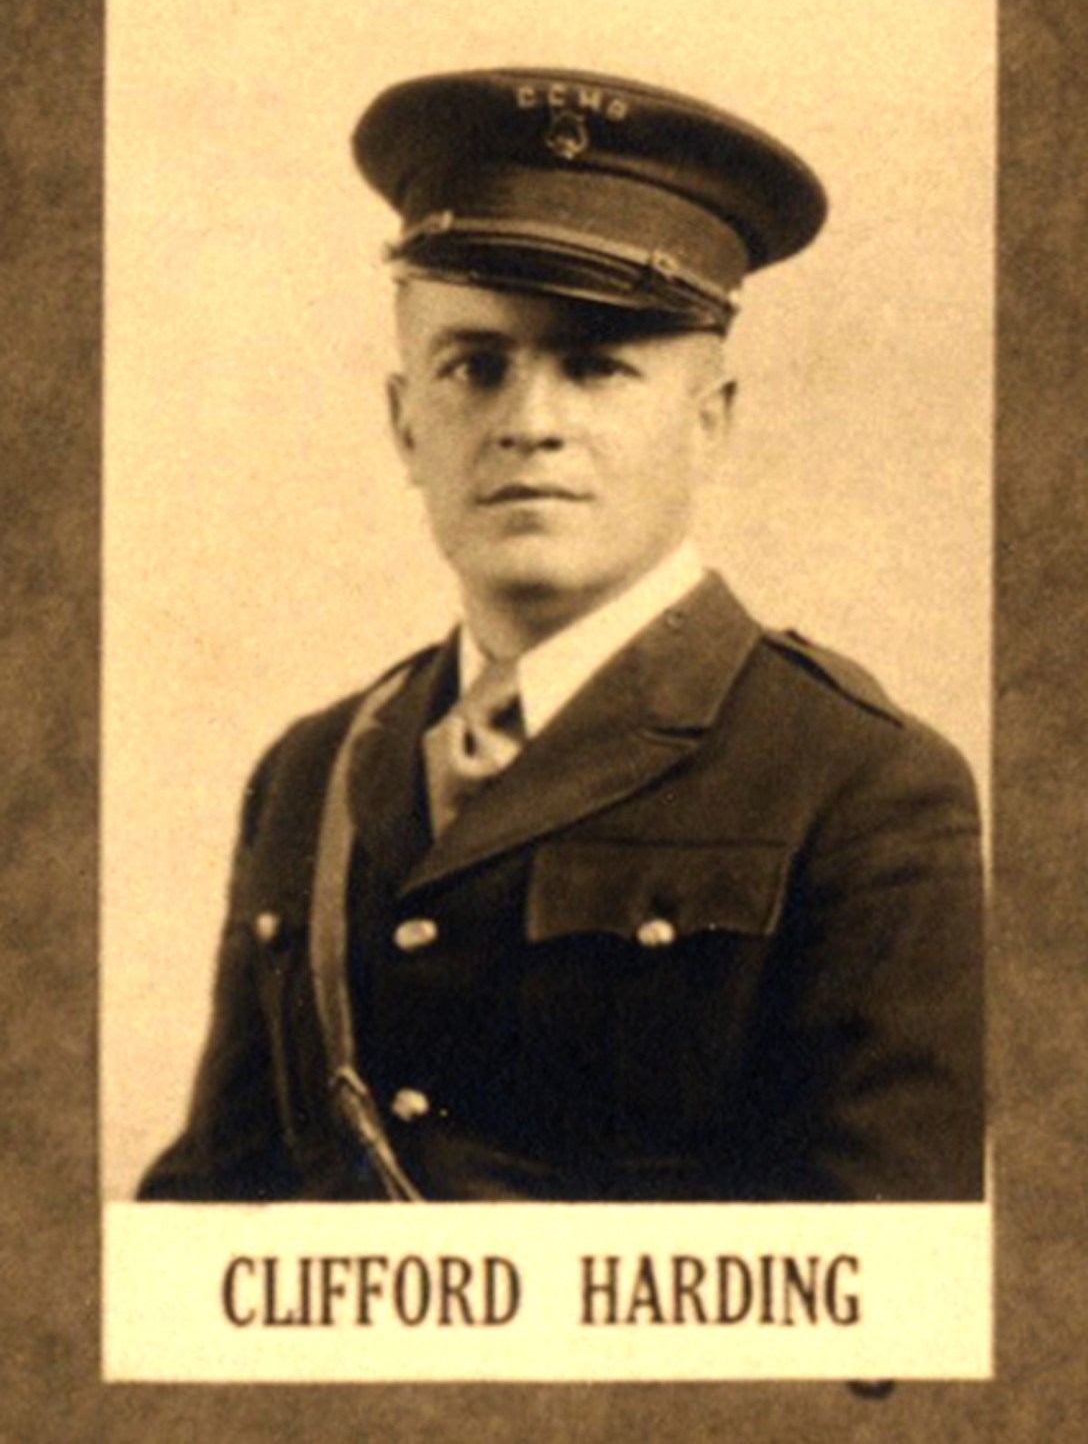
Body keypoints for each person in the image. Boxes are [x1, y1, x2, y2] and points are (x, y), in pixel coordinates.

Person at [138, 68, 985, 1204]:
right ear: (405, 423)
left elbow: (880, 1276)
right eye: (474, 366)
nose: (529, 424)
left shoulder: (863, 784)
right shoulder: (311, 769)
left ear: (708, 421)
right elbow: (205, 1218)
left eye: (595, 366)